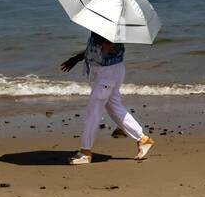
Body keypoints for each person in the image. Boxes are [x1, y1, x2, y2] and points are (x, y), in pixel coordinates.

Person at [60, 31, 155, 164]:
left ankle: (85, 152)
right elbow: (94, 48)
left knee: (93, 112)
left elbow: (108, 47)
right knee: (114, 108)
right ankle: (143, 139)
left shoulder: (109, 31)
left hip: (108, 74)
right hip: (110, 72)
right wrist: (76, 58)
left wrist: (103, 39)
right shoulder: (102, 26)